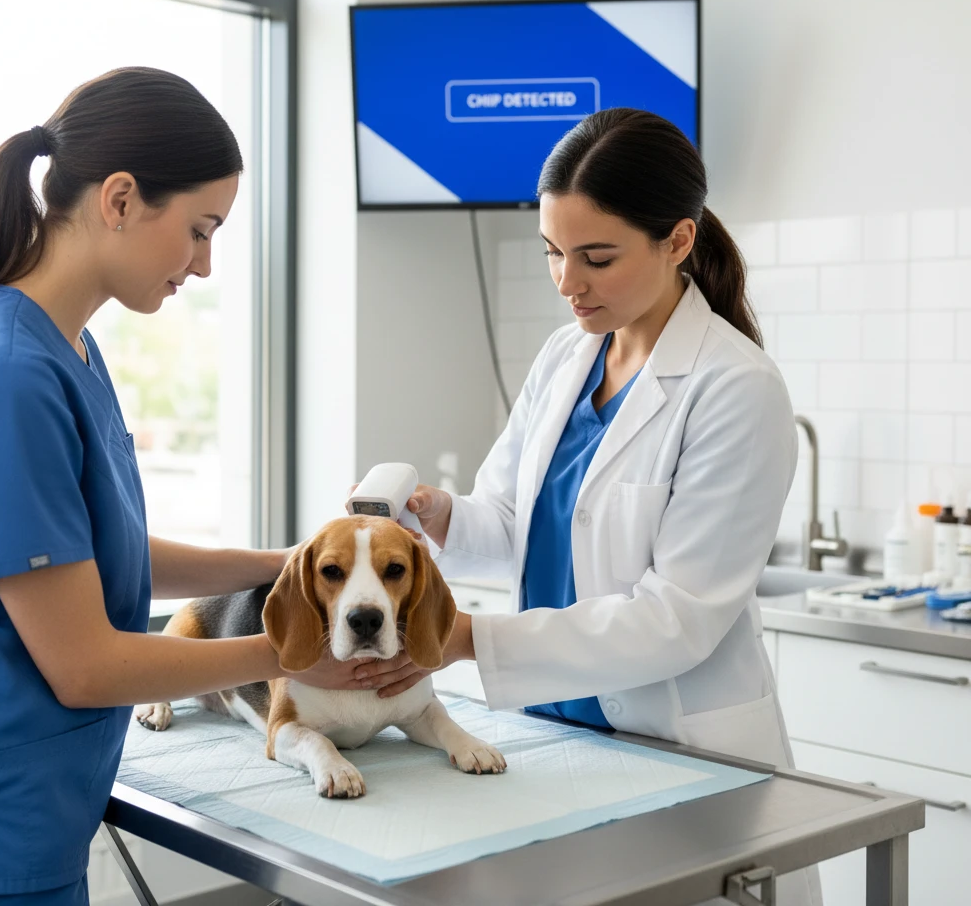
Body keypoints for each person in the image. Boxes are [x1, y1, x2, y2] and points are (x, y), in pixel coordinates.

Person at [351, 108, 820, 906]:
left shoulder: (736, 389)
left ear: (678, 240)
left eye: (596, 258)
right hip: (557, 737)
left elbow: (676, 619)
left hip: (679, 751)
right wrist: (441, 517)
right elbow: (516, 524)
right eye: (553, 255)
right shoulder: (568, 355)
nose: (569, 283)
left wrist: (461, 639)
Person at [0, 67, 357, 905]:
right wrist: (303, 655)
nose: (204, 266)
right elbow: (86, 666)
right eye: (200, 230)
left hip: (36, 805)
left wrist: (281, 564)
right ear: (122, 199)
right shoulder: (7, 375)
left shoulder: (69, 352)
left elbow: (99, 552)